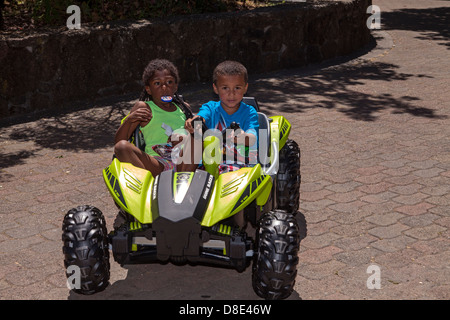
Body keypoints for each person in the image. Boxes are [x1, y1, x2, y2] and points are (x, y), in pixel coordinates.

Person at [114, 59, 193, 176]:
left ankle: (184, 179)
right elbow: (119, 141)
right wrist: (129, 120)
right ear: (148, 89)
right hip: (157, 164)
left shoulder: (184, 108)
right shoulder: (144, 108)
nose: (164, 87)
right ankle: (148, 184)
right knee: (121, 147)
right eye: (157, 83)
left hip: (184, 163)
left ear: (176, 87)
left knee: (199, 138)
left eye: (169, 82)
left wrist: (190, 132)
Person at [185, 60, 259, 174]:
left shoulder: (249, 112)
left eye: (237, 88)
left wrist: (243, 137)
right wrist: (193, 123)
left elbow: (252, 137)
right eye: (225, 88)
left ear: (245, 88)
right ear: (215, 88)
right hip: (207, 162)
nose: (231, 93)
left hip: (236, 163)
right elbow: (201, 117)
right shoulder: (210, 108)